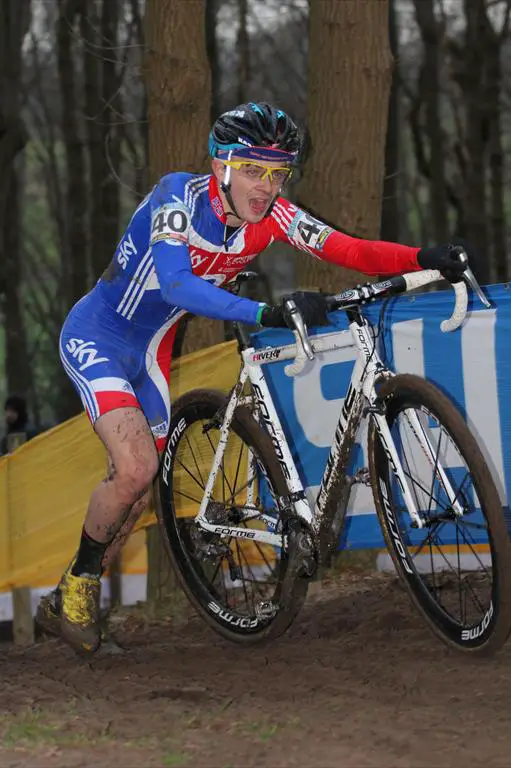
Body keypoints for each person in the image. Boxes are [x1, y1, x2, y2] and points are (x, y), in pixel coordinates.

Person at [36, 101, 468, 654]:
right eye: (254, 169)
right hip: (97, 335)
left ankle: (71, 590)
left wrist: (423, 255)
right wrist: (266, 313)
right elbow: (176, 286)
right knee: (137, 466)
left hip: (148, 352)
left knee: (136, 489)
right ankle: (77, 590)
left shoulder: (273, 218)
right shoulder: (177, 197)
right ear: (222, 167)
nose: (266, 185)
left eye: (277, 171)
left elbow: (349, 248)